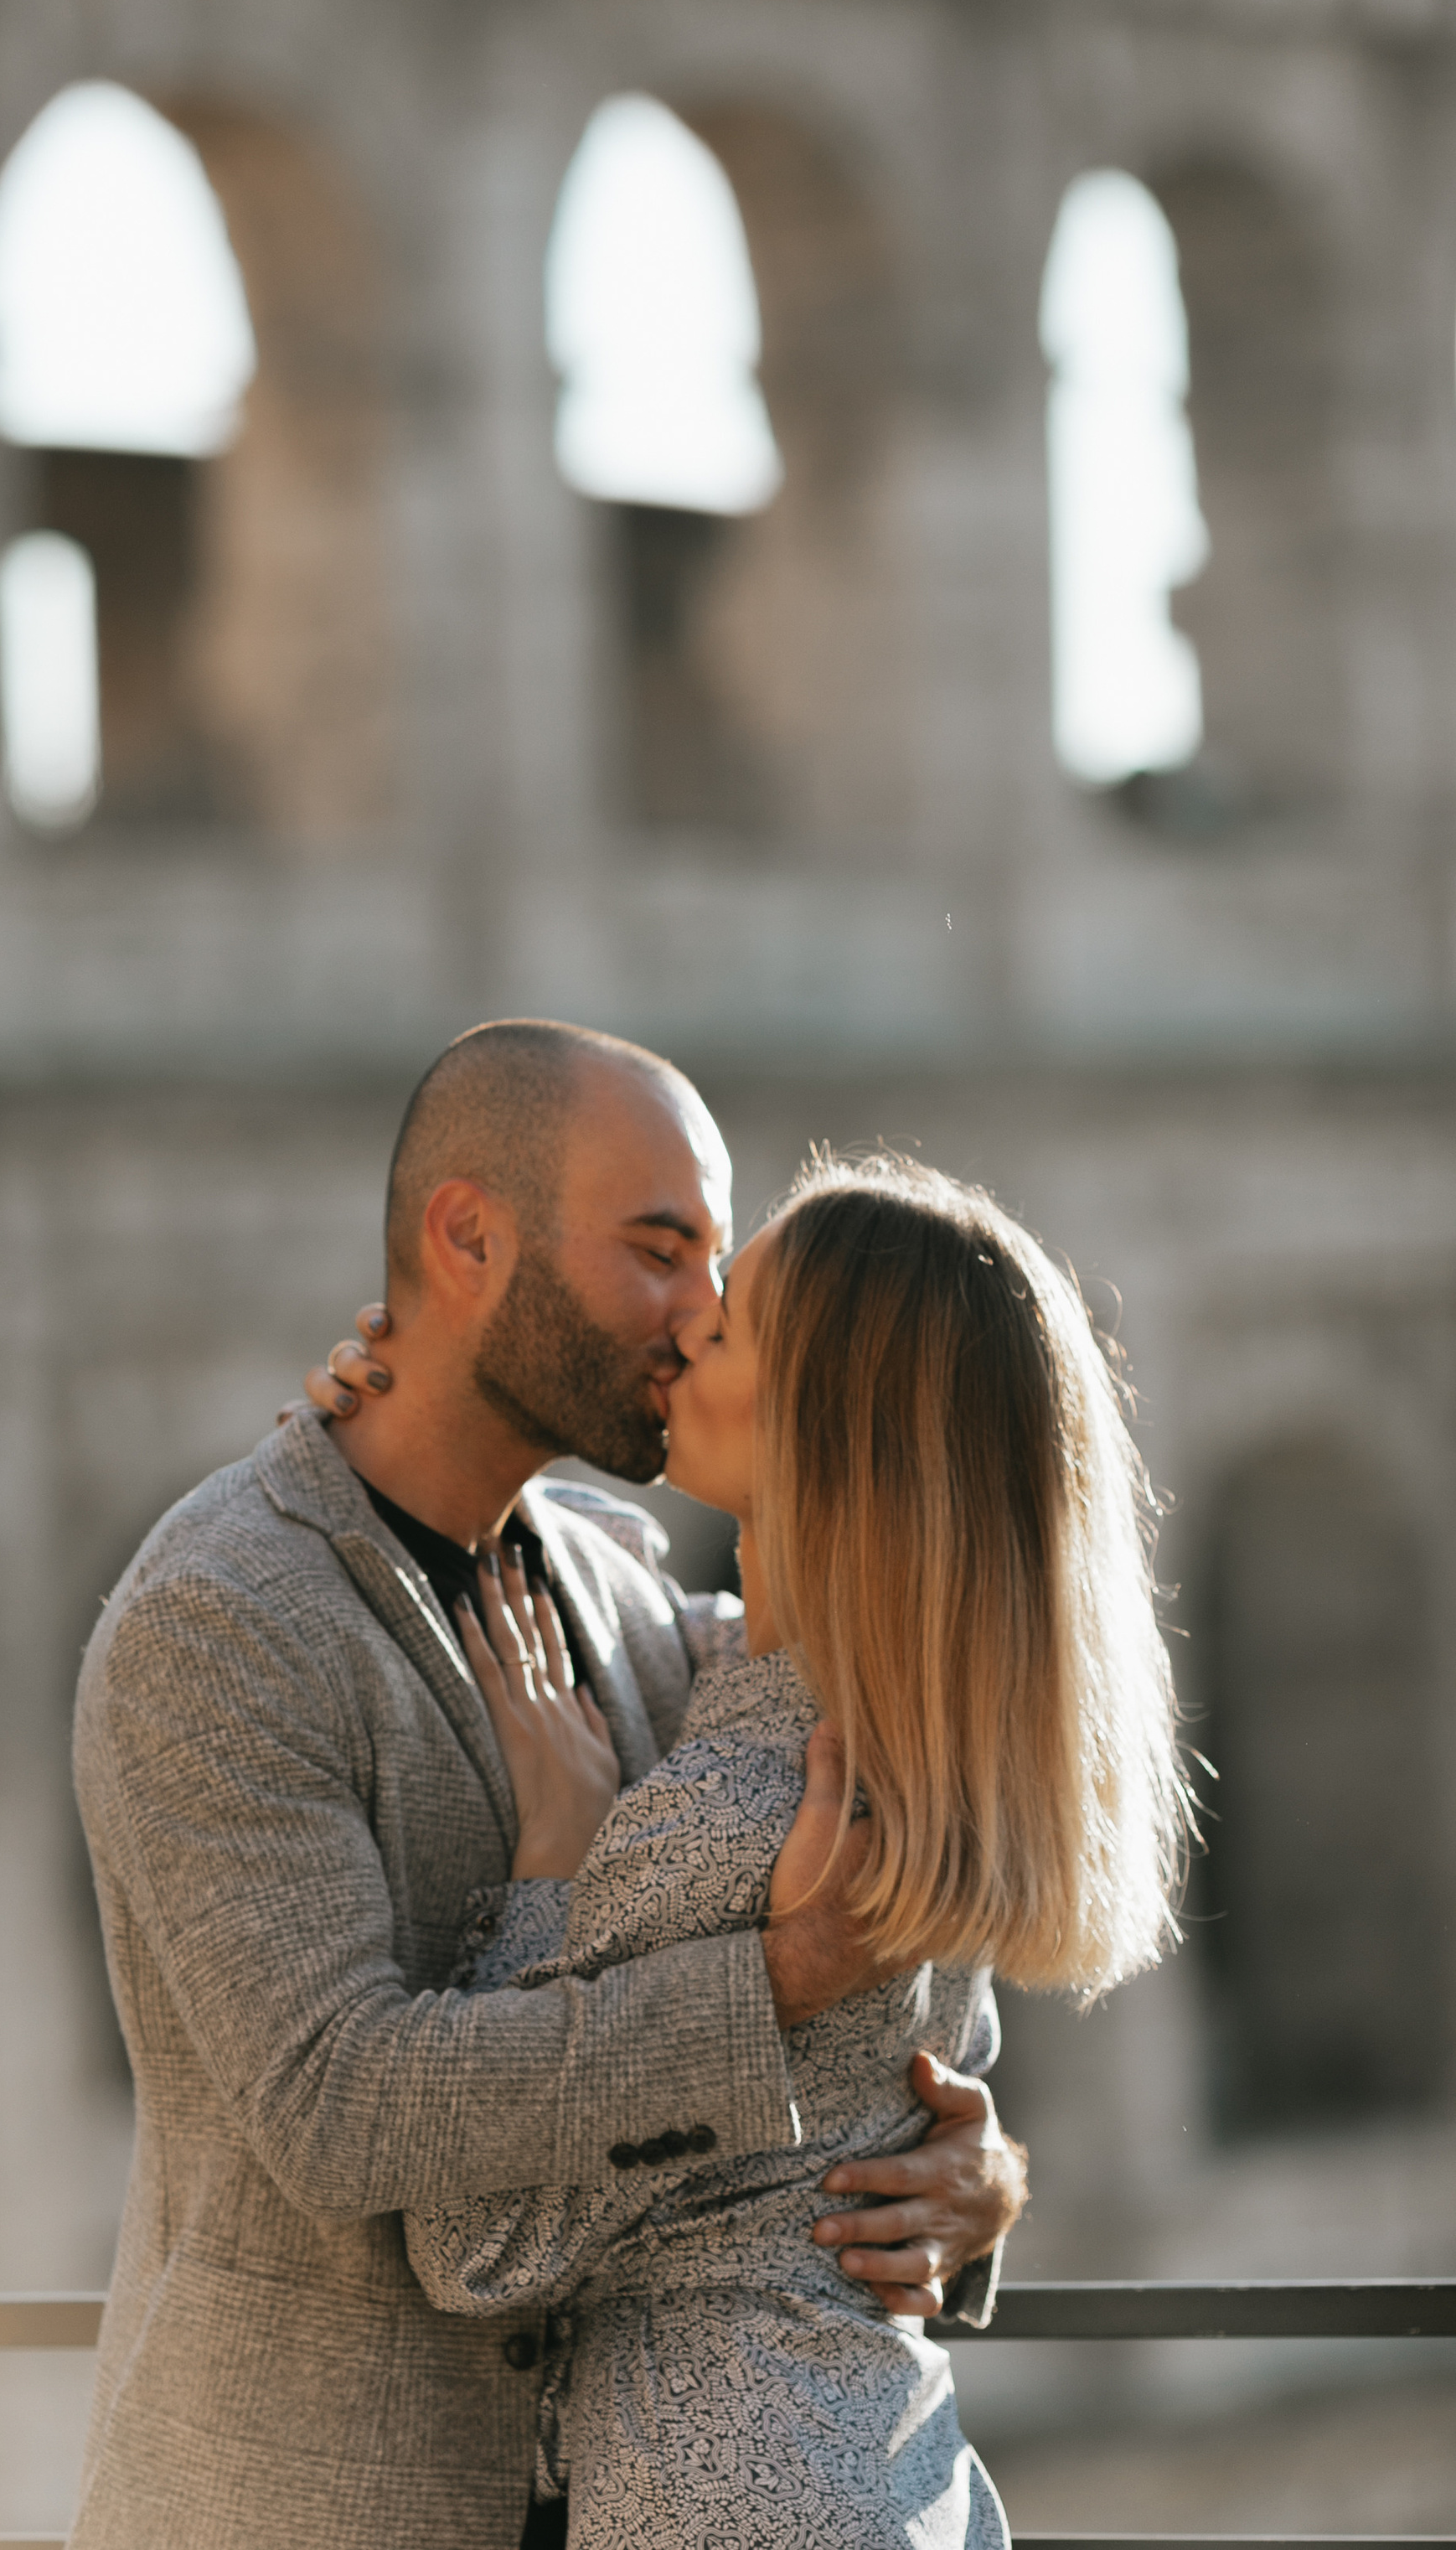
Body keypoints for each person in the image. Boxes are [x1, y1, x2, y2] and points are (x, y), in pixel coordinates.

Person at [70, 1024, 1027, 2550]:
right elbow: (335, 2104)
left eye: (717, 1259)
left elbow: (885, 1739)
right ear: (468, 1239)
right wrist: (774, 1983)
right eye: (661, 1251)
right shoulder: (224, 1619)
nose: (704, 1310)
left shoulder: (629, 1586)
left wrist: (957, 2176)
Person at [377, 1149, 1188, 2548]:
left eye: (732, 1317)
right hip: (890, 2476)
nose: (687, 1322)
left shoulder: (747, 1805)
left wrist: (549, 1878)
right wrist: (389, 1425)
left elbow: (478, 2245)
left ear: (824, 1420)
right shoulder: (906, 1751)